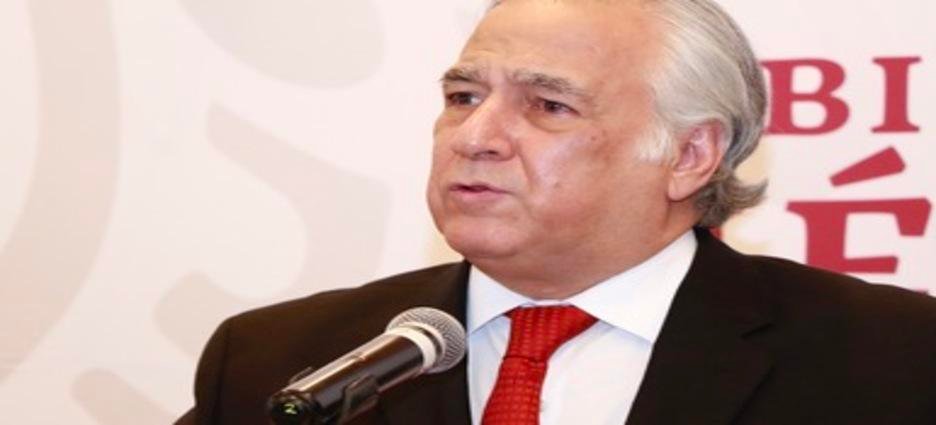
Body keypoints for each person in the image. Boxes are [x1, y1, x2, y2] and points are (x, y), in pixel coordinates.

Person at [177, 0, 936, 424]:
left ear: (689, 154)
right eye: (463, 96)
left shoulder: (895, 359)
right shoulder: (280, 362)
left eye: (548, 105)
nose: (474, 137)